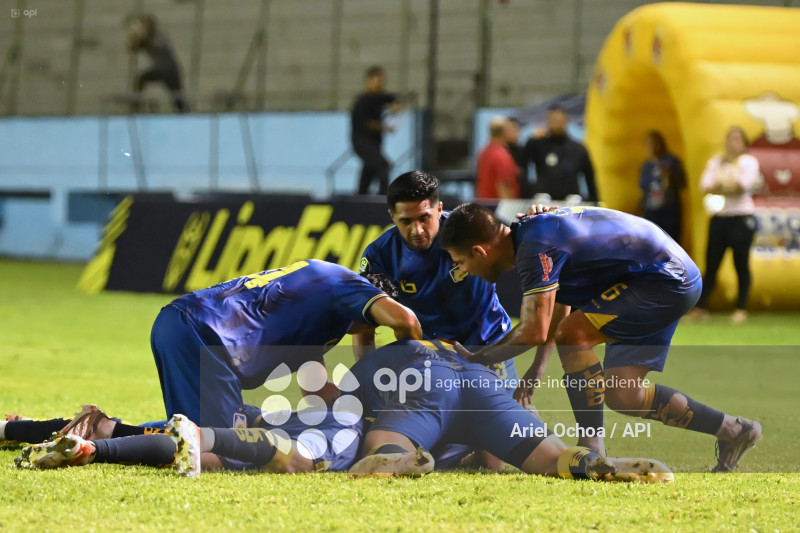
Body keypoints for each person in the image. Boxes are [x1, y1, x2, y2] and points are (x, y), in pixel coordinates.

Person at [438, 203, 762, 473]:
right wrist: (539, 366)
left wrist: (476, 357)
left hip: (661, 279)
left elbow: (535, 329)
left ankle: (592, 448)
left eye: (461, 262)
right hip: (657, 276)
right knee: (624, 395)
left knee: (574, 333)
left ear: (480, 250)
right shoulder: (531, 236)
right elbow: (559, 300)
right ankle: (735, 431)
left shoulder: (533, 247)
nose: (463, 270)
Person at [346, 339, 673, 482]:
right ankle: (593, 463)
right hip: (484, 383)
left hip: (428, 382)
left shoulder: (378, 362)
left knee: (383, 438)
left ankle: (395, 457)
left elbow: (345, 415)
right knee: (550, 458)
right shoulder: (462, 351)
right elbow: (492, 460)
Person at [149, 259, 421, 431]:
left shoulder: (321, 314)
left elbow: (316, 392)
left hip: (183, 323)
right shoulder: (346, 284)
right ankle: (111, 438)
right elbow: (406, 321)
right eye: (372, 325)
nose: (366, 334)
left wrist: (356, 409)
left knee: (204, 433)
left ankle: (111, 433)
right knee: (221, 444)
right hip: (201, 335)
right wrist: (414, 390)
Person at [691, 126, 760, 324]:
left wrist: (720, 187)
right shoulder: (716, 161)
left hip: (741, 217)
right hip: (720, 217)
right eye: (730, 138)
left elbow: (741, 186)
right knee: (711, 263)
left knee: (741, 263)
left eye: (737, 139)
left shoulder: (748, 161)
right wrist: (724, 187)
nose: (733, 142)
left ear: (745, 144)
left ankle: (740, 308)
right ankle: (701, 307)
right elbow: (705, 186)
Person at [524, 107, 597, 201]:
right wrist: (532, 139)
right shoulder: (537, 145)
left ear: (566, 121)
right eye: (553, 120)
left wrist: (594, 200)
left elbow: (589, 177)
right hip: (544, 201)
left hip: (571, 200)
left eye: (559, 120)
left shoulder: (578, 148)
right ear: (547, 121)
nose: (556, 123)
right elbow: (523, 163)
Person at [351, 65, 401, 195]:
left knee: (368, 173)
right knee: (384, 167)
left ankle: (360, 199)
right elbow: (366, 123)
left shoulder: (379, 98)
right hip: (362, 143)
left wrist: (396, 105)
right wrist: (385, 127)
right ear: (369, 80)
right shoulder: (363, 101)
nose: (380, 83)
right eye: (378, 79)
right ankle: (382, 200)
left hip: (375, 144)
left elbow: (394, 98)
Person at [127, 14, 188, 113]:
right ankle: (136, 105)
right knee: (141, 79)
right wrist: (135, 36)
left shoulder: (159, 35)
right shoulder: (144, 37)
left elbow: (157, 45)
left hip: (170, 69)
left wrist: (142, 36)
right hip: (160, 68)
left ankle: (183, 113)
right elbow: (132, 48)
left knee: (177, 97)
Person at [639, 130, 686, 242]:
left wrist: (670, 175)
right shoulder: (647, 166)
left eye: (654, 143)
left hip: (669, 213)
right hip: (652, 212)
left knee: (671, 244)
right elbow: (643, 188)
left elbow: (682, 183)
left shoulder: (672, 161)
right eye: (648, 144)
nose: (651, 147)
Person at [476, 117, 520, 199]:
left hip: (485, 203)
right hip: (498, 207)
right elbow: (504, 186)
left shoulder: (483, 152)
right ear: (505, 132)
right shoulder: (501, 155)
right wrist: (509, 209)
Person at [505, 118, 532, 198]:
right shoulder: (501, 153)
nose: (514, 132)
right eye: (510, 129)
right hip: (509, 196)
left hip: (523, 196)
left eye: (516, 129)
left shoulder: (524, 150)